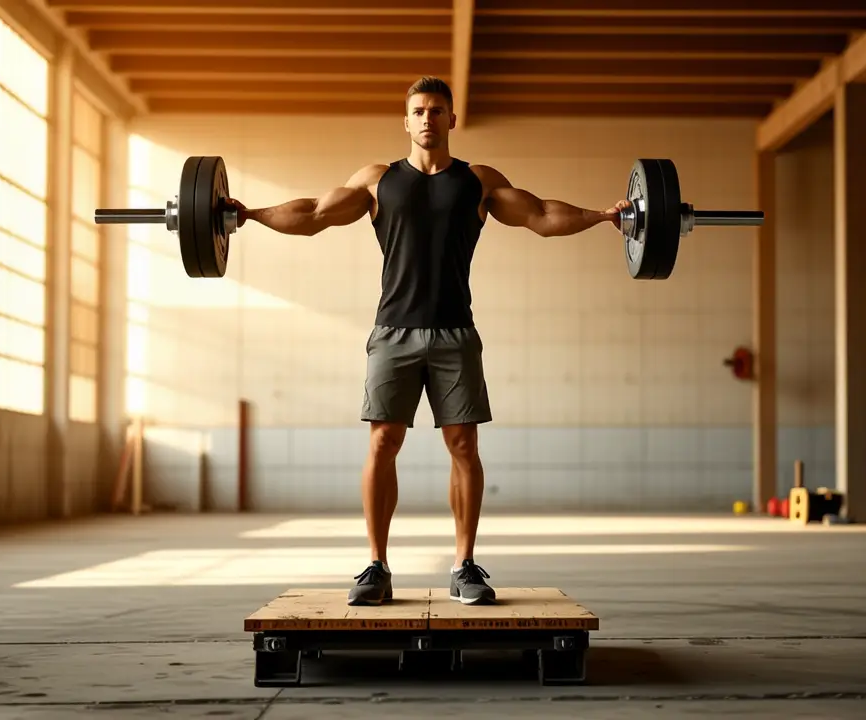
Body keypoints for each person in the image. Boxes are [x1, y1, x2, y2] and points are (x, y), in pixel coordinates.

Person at [225, 76, 628, 606]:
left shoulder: (477, 182)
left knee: (464, 447)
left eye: (438, 109)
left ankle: (464, 565)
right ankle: (376, 565)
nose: (428, 118)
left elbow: (542, 215)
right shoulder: (378, 181)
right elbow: (314, 215)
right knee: (382, 442)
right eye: (418, 110)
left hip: (455, 333)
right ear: (406, 120)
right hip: (392, 332)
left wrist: (605, 216)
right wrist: (247, 214)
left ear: (452, 119)